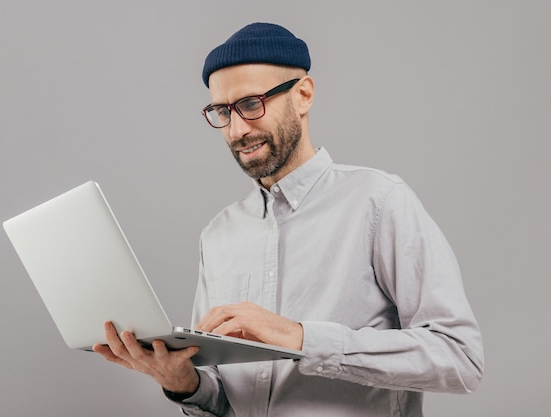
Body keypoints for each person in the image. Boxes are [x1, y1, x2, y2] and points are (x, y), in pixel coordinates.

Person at [93, 22, 484, 416]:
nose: (238, 129)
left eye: (250, 104)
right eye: (222, 112)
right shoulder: (218, 235)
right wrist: (182, 383)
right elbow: (221, 402)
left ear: (303, 95)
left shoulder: (379, 202)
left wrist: (299, 338)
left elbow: (460, 359)